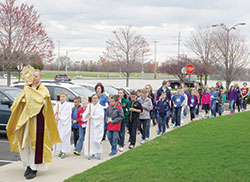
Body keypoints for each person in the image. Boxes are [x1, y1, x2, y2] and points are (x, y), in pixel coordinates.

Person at [6, 70, 61, 180]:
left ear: (40, 77)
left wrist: (29, 93)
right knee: (25, 143)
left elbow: (39, 102)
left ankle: (34, 167)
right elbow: (18, 102)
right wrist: (24, 97)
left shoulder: (43, 90)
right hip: (25, 120)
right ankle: (28, 164)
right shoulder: (27, 88)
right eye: (32, 76)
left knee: (36, 144)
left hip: (37, 120)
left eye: (35, 76)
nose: (33, 78)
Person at [82, 94, 104, 160]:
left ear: (98, 99)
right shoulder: (89, 106)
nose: (94, 99)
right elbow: (84, 115)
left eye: (95, 98)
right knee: (90, 139)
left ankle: (98, 152)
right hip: (90, 126)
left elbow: (101, 117)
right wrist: (87, 115)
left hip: (97, 126)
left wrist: (93, 117)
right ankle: (92, 152)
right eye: (93, 98)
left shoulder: (100, 107)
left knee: (96, 140)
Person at [54, 92, 72, 159]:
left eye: (63, 96)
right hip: (59, 124)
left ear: (66, 97)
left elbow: (67, 114)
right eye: (61, 96)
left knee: (64, 137)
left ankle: (65, 151)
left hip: (65, 124)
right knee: (60, 136)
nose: (62, 98)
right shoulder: (58, 105)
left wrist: (61, 117)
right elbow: (54, 111)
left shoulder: (68, 105)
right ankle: (60, 150)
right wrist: (56, 113)